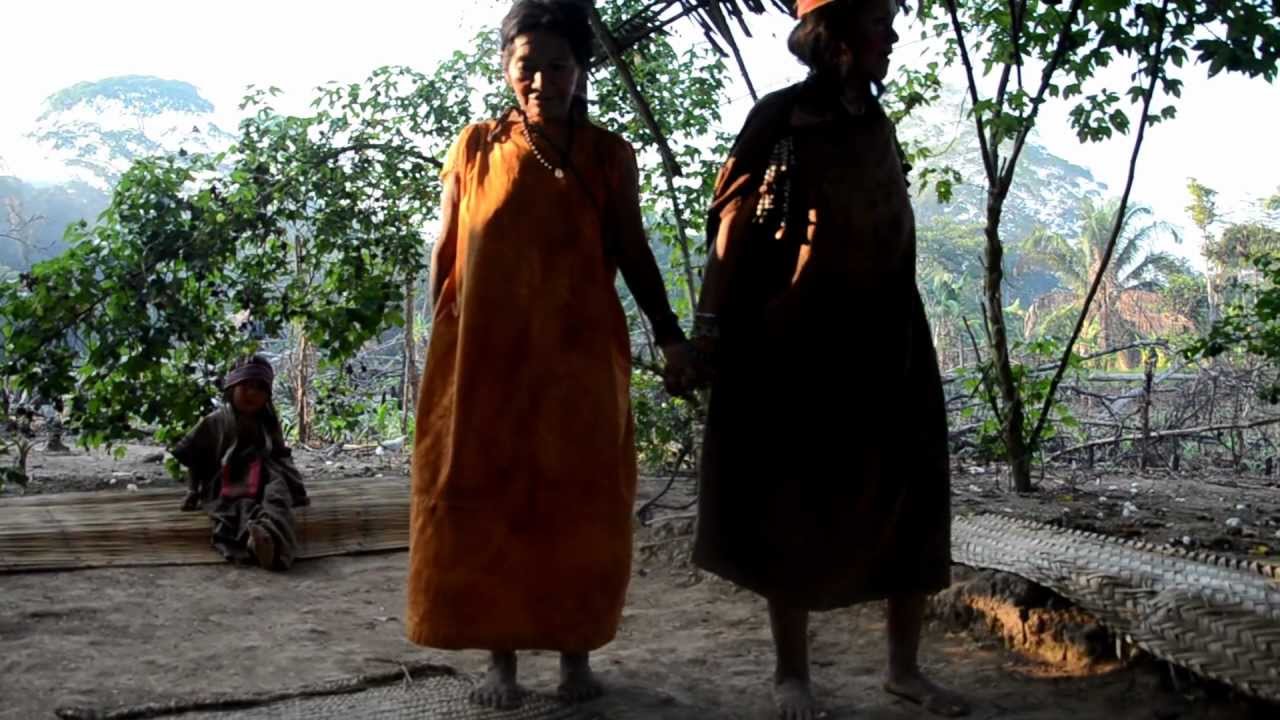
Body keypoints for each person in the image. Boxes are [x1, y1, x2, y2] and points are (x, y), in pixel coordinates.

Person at [405, 0, 696, 708]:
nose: (541, 81)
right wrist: (442, 363)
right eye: (527, 66)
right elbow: (448, 263)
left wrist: (668, 333)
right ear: (507, 69)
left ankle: (575, 658)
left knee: (581, 507)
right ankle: (499, 661)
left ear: (581, 71)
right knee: (488, 502)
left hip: (579, 367)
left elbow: (632, 249)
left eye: (557, 66)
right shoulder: (475, 150)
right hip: (486, 366)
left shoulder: (607, 156)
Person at [688, 0, 969, 717]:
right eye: (880, 22)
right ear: (836, 35)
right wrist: (710, 329)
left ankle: (903, 668)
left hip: (890, 336)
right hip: (796, 341)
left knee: (909, 497)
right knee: (792, 498)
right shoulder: (780, 117)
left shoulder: (876, 121)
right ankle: (793, 675)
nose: (895, 35)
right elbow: (730, 225)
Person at [173, 355, 309, 571]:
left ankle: (269, 538)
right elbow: (194, 457)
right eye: (246, 386)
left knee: (277, 497)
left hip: (266, 474)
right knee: (234, 508)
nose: (252, 393)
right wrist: (192, 490)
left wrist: (294, 483)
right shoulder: (215, 421)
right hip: (227, 477)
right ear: (231, 387)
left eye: (259, 388)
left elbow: (281, 454)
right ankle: (251, 539)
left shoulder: (268, 422)